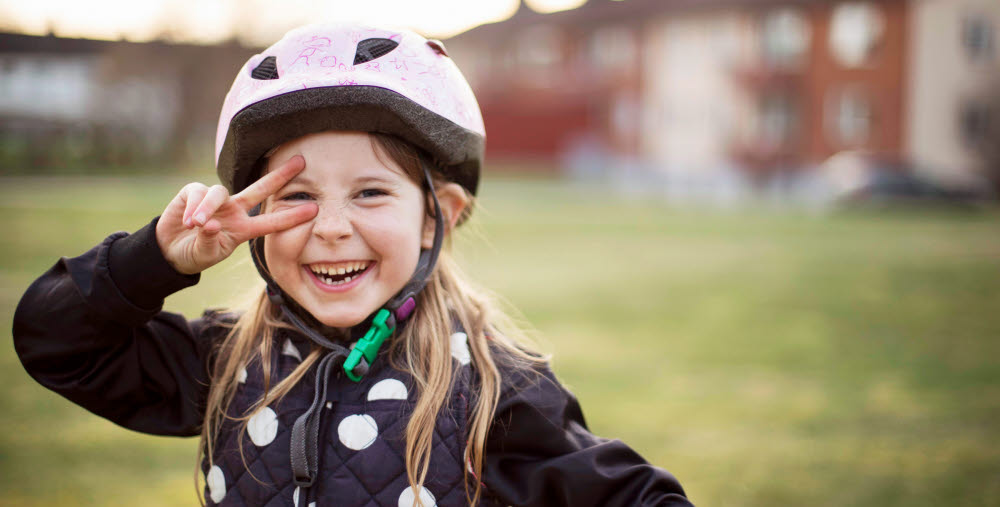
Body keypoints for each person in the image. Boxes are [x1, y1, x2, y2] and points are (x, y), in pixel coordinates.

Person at [12, 22, 692, 507]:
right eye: (297, 196)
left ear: (440, 214)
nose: (331, 228)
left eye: (370, 192)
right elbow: (56, 339)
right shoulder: (228, 360)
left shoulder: (493, 389)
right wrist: (154, 259)